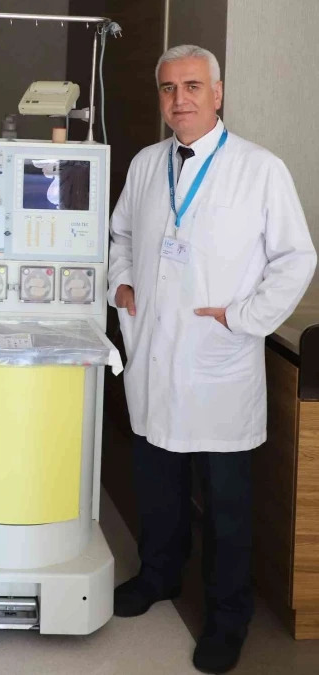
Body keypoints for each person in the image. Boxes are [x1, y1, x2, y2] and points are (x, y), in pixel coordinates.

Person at [108, 45, 316, 674]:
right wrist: (122, 282)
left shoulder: (259, 168)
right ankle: (159, 575)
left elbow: (296, 258)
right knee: (158, 486)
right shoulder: (147, 164)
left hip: (216, 360)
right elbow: (120, 233)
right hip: (155, 355)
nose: (180, 100)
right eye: (169, 88)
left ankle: (229, 619)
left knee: (226, 505)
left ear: (218, 93)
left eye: (193, 86)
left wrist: (243, 318)